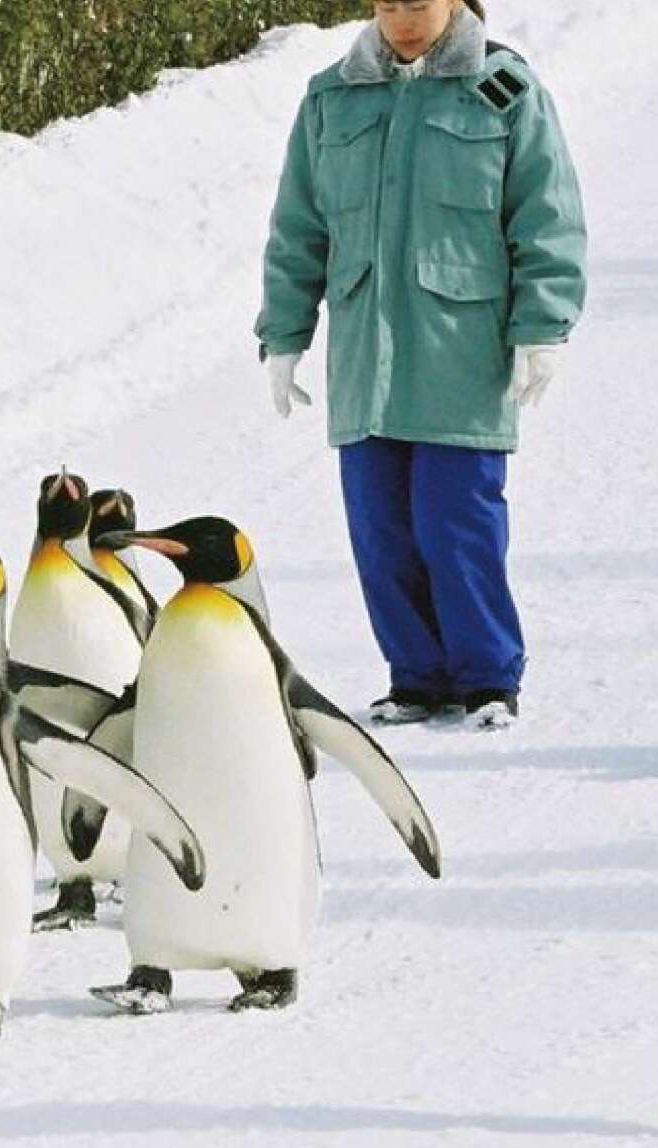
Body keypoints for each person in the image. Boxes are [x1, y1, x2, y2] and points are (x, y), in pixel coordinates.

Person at [256, 0, 586, 731]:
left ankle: (487, 678)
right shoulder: (331, 98)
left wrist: (542, 327)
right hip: (364, 361)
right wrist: (284, 334)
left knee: (455, 525)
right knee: (381, 528)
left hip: (460, 357)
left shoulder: (503, 90)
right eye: (388, 2)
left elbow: (546, 216)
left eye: (419, 1)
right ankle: (416, 677)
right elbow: (298, 228)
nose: (402, 16)